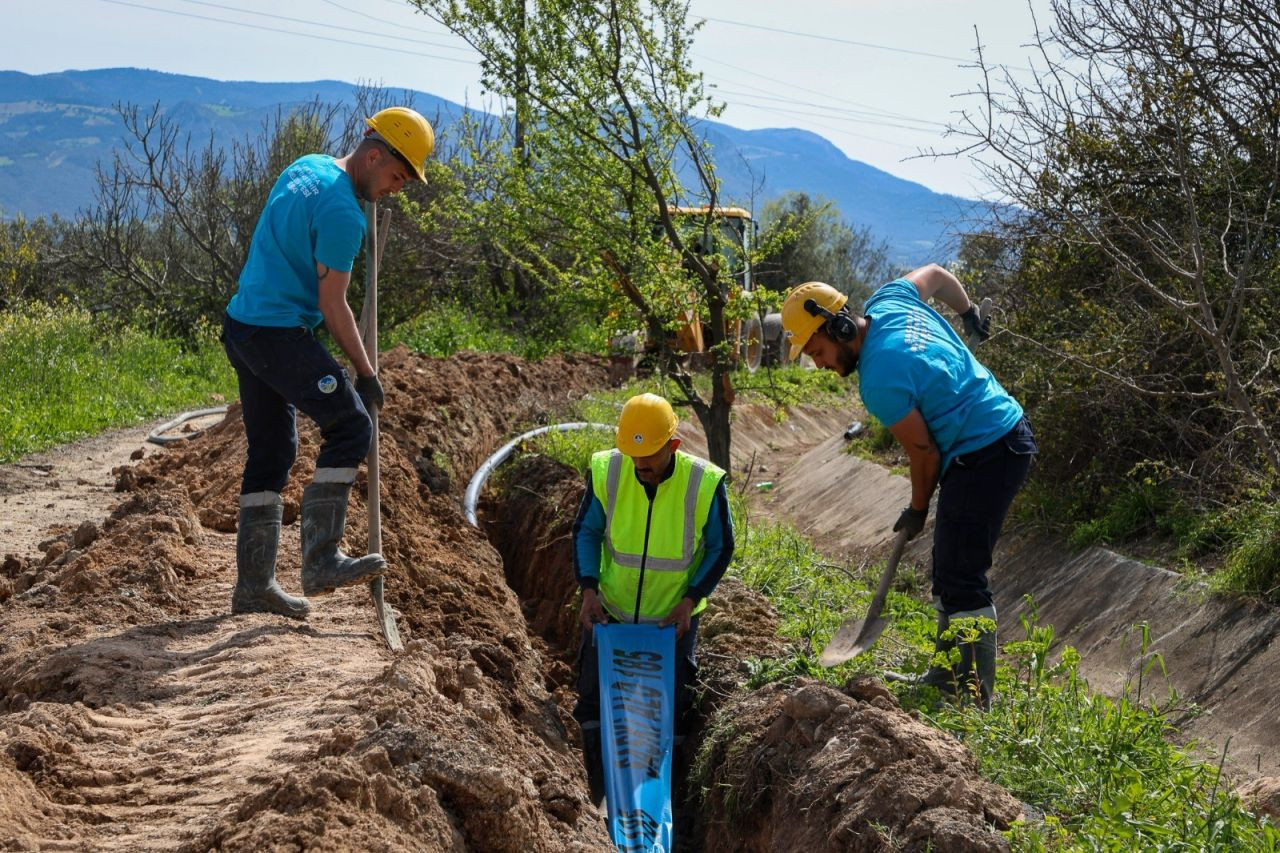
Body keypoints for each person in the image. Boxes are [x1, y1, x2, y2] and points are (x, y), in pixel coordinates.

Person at [781, 264, 1037, 708]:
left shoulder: (879, 379)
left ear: (838, 327)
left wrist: (917, 509)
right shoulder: (890, 301)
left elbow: (925, 455)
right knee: (948, 565)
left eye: (817, 350)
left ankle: (974, 697)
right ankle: (946, 676)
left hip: (990, 449)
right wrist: (968, 311)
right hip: (991, 436)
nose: (819, 364)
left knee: (962, 573)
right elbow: (936, 275)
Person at [221, 106, 435, 620]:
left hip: (243, 323)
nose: (396, 189)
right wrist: (366, 373)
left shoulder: (307, 166)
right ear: (374, 153)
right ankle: (320, 560)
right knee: (350, 426)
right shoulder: (343, 213)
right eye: (396, 176)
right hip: (275, 333)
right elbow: (333, 305)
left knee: (274, 450)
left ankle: (254, 587)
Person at [571, 393, 736, 804]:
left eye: (648, 457)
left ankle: (665, 805)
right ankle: (596, 798)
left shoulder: (702, 483)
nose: (638, 465)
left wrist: (691, 598)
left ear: (673, 446)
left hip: (671, 623)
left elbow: (721, 547)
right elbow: (586, 531)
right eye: (632, 455)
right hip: (612, 614)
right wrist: (589, 590)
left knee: (671, 706)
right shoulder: (609, 470)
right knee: (593, 700)